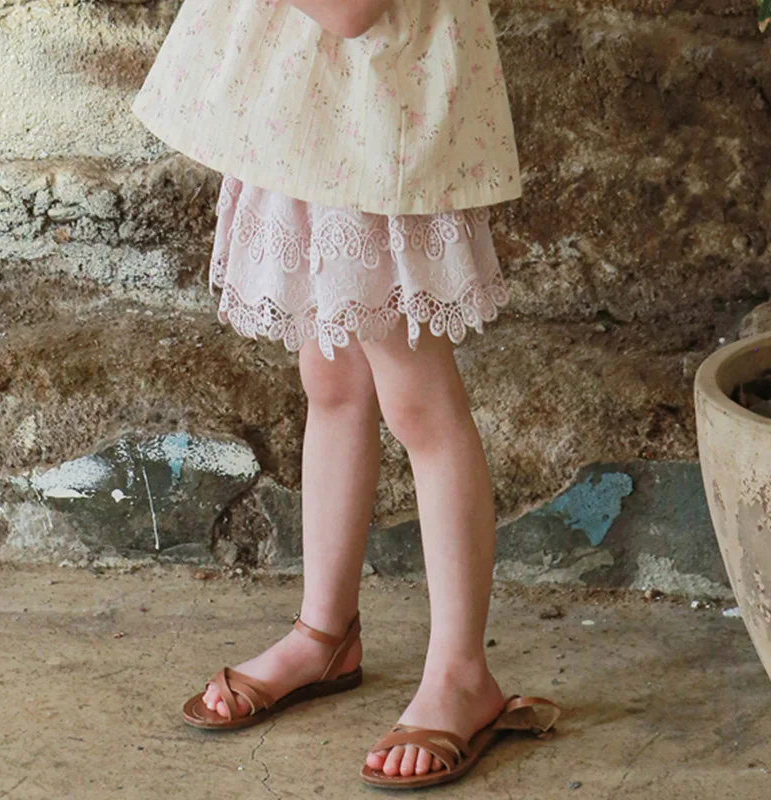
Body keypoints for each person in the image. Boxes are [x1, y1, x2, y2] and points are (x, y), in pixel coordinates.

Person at [131, 0, 559, 789]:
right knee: (330, 380)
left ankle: (464, 673)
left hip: (376, 122)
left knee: (420, 406)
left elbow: (351, 10)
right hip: (316, 124)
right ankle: (324, 633)